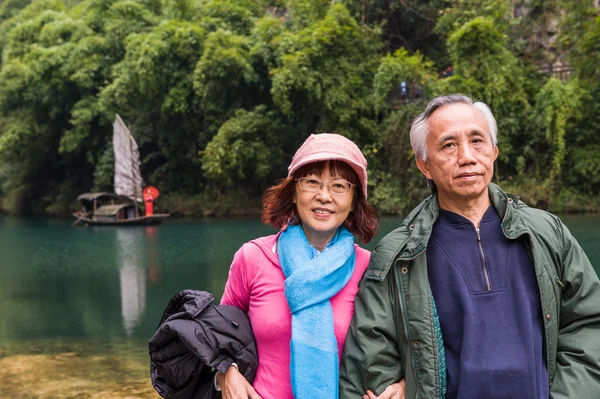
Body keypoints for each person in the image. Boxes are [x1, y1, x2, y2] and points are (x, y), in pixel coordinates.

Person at [340, 94, 600, 399]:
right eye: (448, 145)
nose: (466, 156)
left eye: (477, 141)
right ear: (424, 165)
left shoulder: (547, 233)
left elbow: (588, 323)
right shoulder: (398, 255)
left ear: (493, 151)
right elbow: (372, 353)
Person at [217, 133, 392, 399]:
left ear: (355, 199)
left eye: (339, 186)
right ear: (294, 191)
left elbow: (398, 348)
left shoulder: (370, 268)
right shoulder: (252, 257)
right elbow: (219, 332)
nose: (324, 196)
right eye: (312, 182)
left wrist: (400, 386)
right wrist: (225, 372)